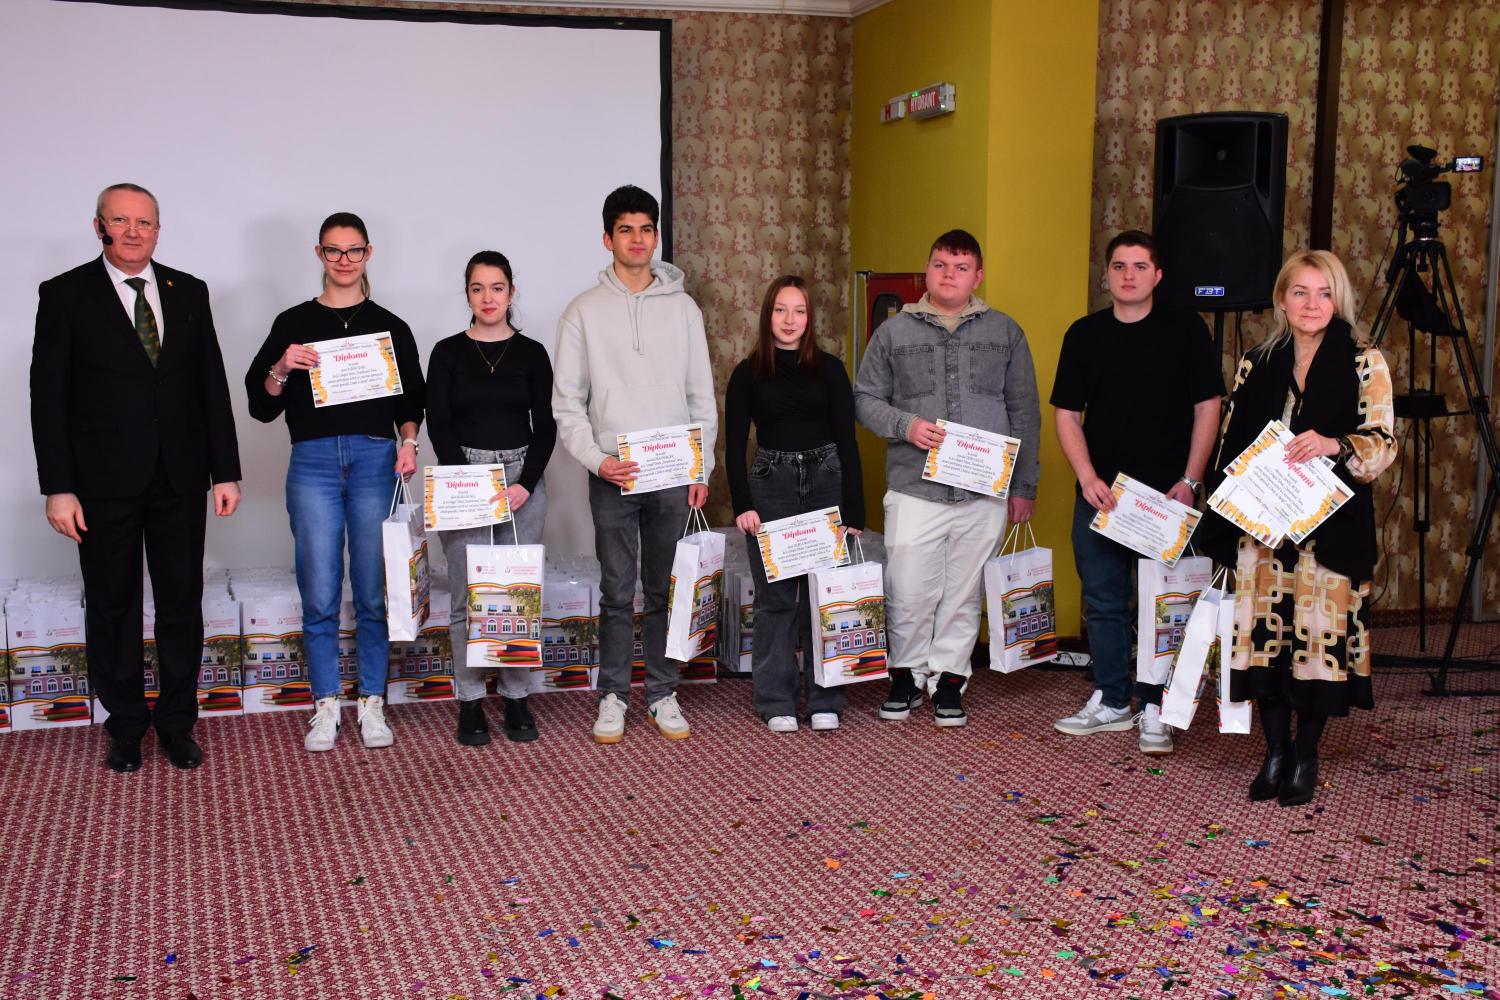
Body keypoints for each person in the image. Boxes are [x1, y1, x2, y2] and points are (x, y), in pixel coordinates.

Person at [30, 182, 242, 774]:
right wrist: (58, 486)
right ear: (98, 226)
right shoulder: (64, 294)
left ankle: (176, 723)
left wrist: (225, 471)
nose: (132, 231)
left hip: (180, 476)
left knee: (181, 603)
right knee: (112, 605)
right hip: (101, 483)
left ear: (157, 229)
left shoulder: (189, 291)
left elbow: (211, 384)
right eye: (120, 220)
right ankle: (124, 725)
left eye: (143, 222)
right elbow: (47, 398)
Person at [1198, 250, 1396, 807]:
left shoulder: (1364, 362)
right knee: (1265, 646)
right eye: (1301, 292)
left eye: (1325, 293)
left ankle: (1305, 755)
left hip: (1328, 533)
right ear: (1282, 299)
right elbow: (1230, 444)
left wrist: (1334, 444)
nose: (1313, 304)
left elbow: (1383, 445)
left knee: (1315, 647)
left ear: (1339, 301)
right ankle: (1275, 752)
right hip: (1262, 532)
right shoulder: (1256, 361)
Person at [246, 212, 426, 753]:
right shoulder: (293, 322)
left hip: (375, 460)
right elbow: (260, 406)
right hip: (314, 463)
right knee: (320, 589)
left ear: (368, 253)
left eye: (353, 251)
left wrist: (409, 442)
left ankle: (371, 700)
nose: (344, 260)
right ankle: (326, 703)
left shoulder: (391, 326)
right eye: (333, 250)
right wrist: (282, 366)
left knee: (371, 589)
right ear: (319, 254)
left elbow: (411, 401)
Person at [854, 229, 1041, 727]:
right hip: (914, 487)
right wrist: (905, 426)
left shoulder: (1006, 332)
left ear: (977, 276)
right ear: (927, 271)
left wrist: (1024, 487)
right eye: (940, 265)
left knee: (963, 593)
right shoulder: (893, 333)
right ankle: (906, 676)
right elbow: (864, 399)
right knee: (908, 590)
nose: (949, 275)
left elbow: (1024, 412)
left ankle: (950, 682)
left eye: (961, 268)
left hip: (984, 492)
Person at [552, 184, 716, 744]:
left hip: (673, 476)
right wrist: (597, 461)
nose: (638, 239)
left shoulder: (685, 309)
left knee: (666, 589)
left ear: (656, 236)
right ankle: (614, 696)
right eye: (626, 230)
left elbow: (701, 396)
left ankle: (663, 692)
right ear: (608, 239)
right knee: (618, 593)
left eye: (647, 229)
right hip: (613, 475)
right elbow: (567, 402)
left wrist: (701, 468)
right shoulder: (582, 311)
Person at [1049, 230, 1223, 754]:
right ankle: (1112, 700)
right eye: (1119, 266)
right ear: (1107, 275)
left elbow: (1208, 407)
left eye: (1140, 266)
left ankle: (1155, 707)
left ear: (1158, 275)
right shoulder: (1084, 334)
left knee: (1162, 606)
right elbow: (1066, 414)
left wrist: (1190, 480)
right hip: (1102, 498)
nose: (1129, 275)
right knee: (1103, 602)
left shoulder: (1186, 329)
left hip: (1168, 500)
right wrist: (1087, 477)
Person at [426, 251, 556, 746]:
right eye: (477, 288)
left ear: (511, 292)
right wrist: (470, 482)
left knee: (515, 592)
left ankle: (517, 696)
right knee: (469, 595)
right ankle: (470, 699)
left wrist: (526, 482)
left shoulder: (532, 353)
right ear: (467, 294)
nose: (488, 297)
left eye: (497, 288)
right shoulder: (446, 352)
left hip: (522, 477)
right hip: (464, 477)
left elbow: (546, 426)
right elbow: (438, 422)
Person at [726, 276, 864, 733]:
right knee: (776, 601)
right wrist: (743, 503)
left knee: (824, 597)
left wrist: (854, 508)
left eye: (799, 311)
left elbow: (848, 440)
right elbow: (733, 445)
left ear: (810, 318)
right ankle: (776, 699)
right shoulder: (747, 373)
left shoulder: (831, 369)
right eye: (781, 310)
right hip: (772, 486)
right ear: (768, 315)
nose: (790, 320)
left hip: (826, 483)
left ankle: (825, 698)